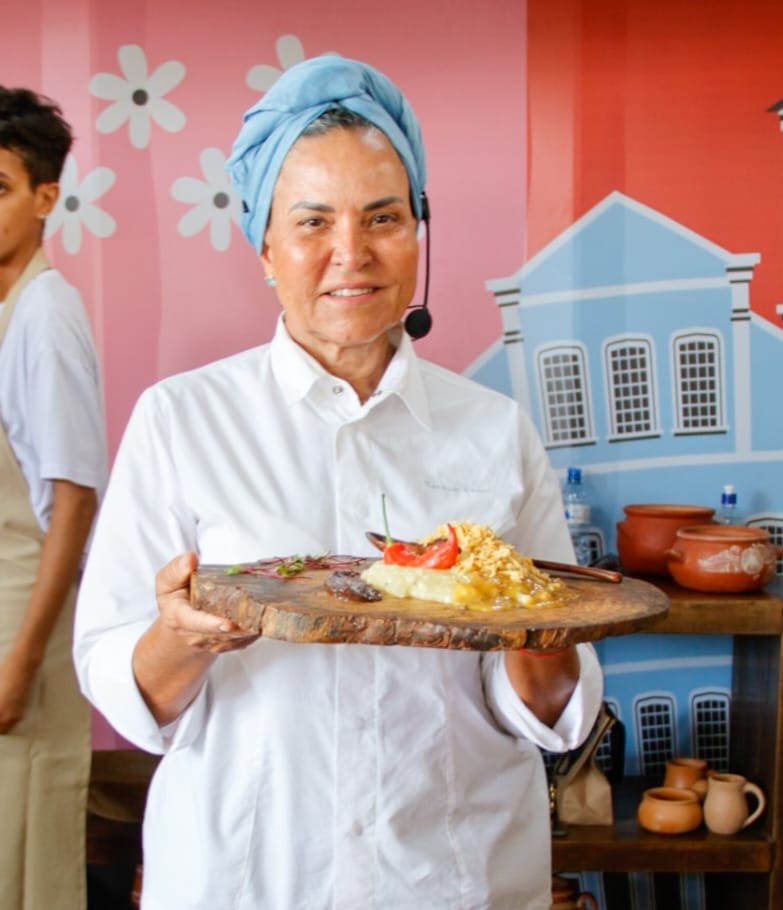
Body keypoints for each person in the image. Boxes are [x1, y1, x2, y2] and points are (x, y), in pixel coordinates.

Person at [74, 56, 603, 910]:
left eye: (383, 217)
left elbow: (545, 707)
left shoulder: (492, 430)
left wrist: (528, 628)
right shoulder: (182, 420)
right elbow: (113, 670)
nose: (349, 253)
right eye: (312, 220)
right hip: (248, 875)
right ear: (265, 248)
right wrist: (182, 637)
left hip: (452, 874)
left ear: (419, 233)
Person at [0, 87, 107, 910]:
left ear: (46, 198)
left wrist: (24, 660)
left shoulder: (46, 313)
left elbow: (74, 500)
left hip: (18, 623)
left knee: (24, 861)